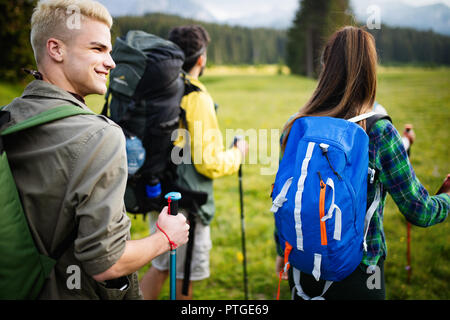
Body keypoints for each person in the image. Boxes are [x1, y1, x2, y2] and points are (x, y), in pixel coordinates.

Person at [1, 0, 189, 299]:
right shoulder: (100, 135)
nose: (112, 62)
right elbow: (107, 263)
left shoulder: (7, 117)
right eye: (98, 49)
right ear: (56, 49)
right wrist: (166, 237)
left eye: (110, 51)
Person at [274, 26, 449, 300]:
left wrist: (281, 250)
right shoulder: (378, 130)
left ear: (325, 67)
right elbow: (420, 210)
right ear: (371, 71)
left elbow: (288, 194)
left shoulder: (297, 126)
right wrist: (447, 198)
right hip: (361, 275)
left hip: (302, 270)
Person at [140, 25, 248, 300]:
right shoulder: (196, 96)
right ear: (201, 58)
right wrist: (237, 154)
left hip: (160, 193)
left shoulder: (162, 88)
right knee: (184, 280)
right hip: (189, 205)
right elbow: (207, 162)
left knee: (160, 266)